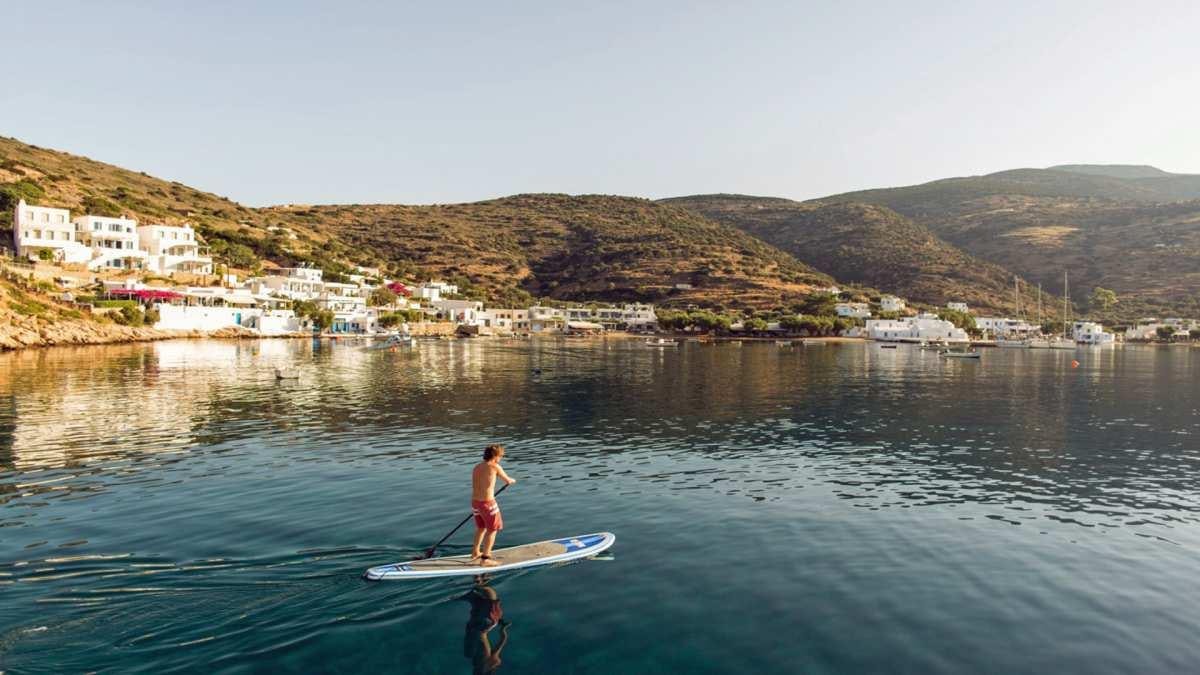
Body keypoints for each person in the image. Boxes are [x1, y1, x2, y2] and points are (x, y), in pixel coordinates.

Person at [471, 444, 515, 566]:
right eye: (500, 456)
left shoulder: (477, 467)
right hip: (487, 503)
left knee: (481, 527)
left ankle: (475, 552)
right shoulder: (495, 467)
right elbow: (507, 480)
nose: (501, 458)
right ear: (495, 456)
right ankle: (485, 559)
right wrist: (511, 480)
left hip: (475, 502)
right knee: (493, 529)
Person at [462, 582, 511, 674]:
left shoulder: (487, 663)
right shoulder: (486, 665)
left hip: (489, 623)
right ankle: (480, 579)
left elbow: (502, 641)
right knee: (488, 593)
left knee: (485, 594)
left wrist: (503, 629)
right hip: (484, 624)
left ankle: (481, 580)